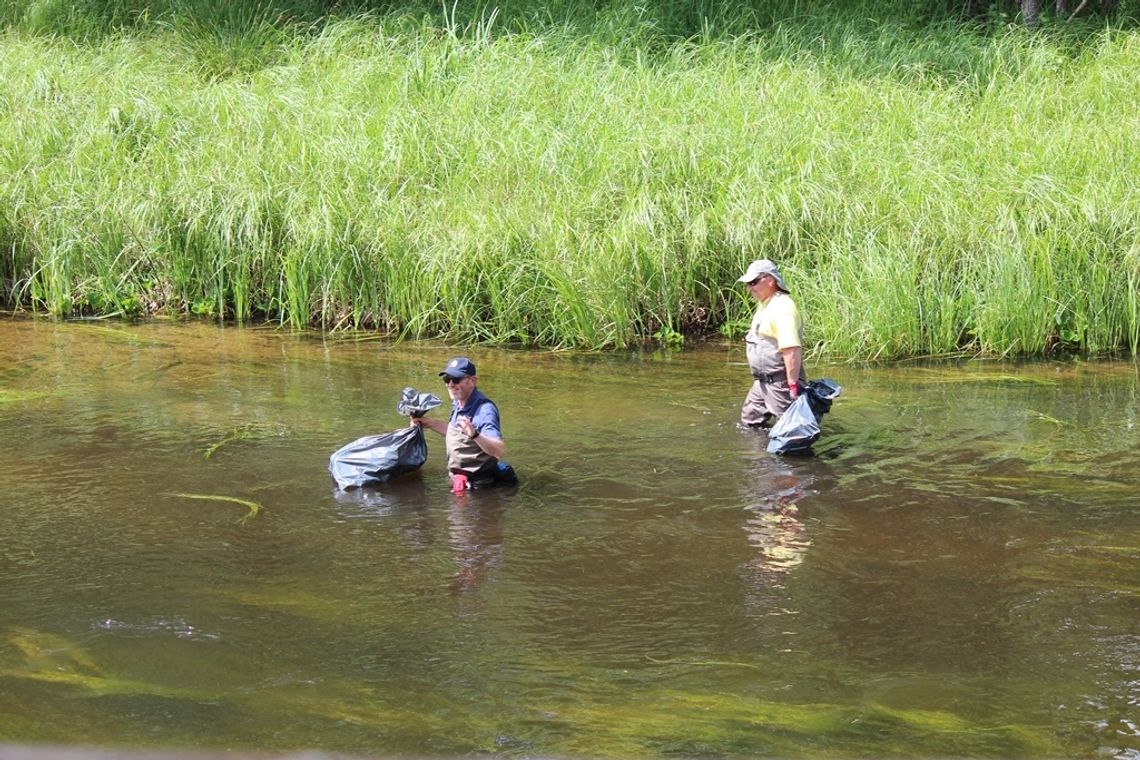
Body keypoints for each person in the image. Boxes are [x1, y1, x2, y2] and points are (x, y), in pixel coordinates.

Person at [412, 356, 515, 491]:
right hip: (459, 480)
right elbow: (459, 433)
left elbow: (499, 450)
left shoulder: (484, 410)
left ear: (472, 381)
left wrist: (475, 434)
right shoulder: (459, 402)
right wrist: (431, 423)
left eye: (456, 380)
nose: (450, 385)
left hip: (479, 487)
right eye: (447, 379)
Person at [738, 259, 808, 428]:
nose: (749, 288)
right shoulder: (766, 304)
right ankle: (758, 453)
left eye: (753, 282)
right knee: (750, 423)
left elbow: (791, 349)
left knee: (792, 431)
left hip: (780, 383)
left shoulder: (783, 308)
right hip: (762, 382)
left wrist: (792, 386)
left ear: (770, 280)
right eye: (747, 284)